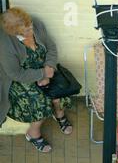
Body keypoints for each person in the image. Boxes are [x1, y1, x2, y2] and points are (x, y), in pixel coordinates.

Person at [0, 8, 73, 153]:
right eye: (25, 31)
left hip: (46, 69)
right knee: (39, 102)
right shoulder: (5, 43)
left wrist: (49, 67)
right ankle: (33, 134)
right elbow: (15, 73)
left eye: (30, 27)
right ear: (14, 32)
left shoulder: (36, 24)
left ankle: (59, 114)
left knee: (59, 92)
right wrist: (42, 74)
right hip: (21, 78)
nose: (31, 31)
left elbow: (51, 47)